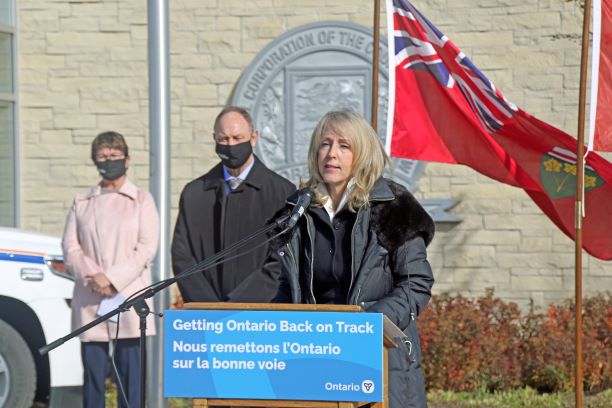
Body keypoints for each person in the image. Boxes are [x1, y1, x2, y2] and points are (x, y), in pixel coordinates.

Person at [264, 110, 435, 408]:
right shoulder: (298, 211)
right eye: (325, 144)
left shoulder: (393, 206)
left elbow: (415, 284)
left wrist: (365, 327)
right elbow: (286, 286)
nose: (331, 154)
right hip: (314, 361)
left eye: (344, 146)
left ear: (363, 154)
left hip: (379, 359)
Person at [62, 131, 160, 408]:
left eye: (114, 156)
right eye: (103, 156)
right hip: (91, 297)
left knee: (131, 376)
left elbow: (146, 248)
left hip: (128, 296)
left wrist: (112, 279)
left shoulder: (142, 200)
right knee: (93, 376)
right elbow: (70, 247)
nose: (109, 161)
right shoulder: (82, 201)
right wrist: (95, 278)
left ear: (127, 160)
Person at [171, 106, 295, 303]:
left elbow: (282, 259)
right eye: (224, 139)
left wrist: (238, 304)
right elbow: (181, 254)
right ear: (214, 139)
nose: (231, 145)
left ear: (254, 137)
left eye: (238, 138)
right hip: (205, 315)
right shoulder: (194, 193)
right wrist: (208, 305)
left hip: (259, 315)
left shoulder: (283, 193)